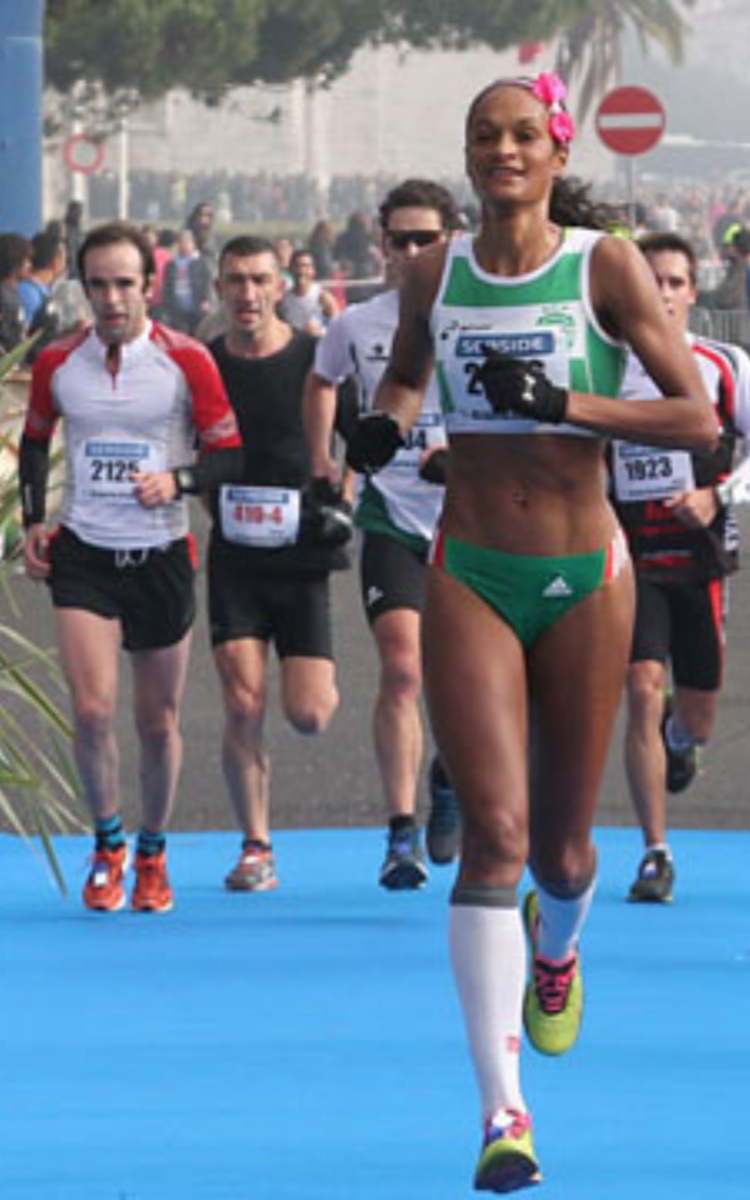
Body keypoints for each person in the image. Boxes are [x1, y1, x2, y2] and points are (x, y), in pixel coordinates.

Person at [349, 74, 713, 1193]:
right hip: (469, 570)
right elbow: (411, 371)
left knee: (562, 853)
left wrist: (565, 406)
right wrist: (387, 425)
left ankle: (558, 953)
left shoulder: (599, 266)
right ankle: (504, 1114)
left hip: (584, 573)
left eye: (522, 136)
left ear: (557, 152)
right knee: (495, 839)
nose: (501, 152)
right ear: (467, 155)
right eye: (482, 137)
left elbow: (698, 416)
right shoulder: (433, 270)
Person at [18, 221, 243, 912]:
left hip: (161, 556)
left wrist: (177, 482)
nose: (112, 299)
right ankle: (108, 843)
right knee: (90, 712)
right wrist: (33, 520)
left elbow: (229, 455)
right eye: (98, 285)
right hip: (84, 552)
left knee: (156, 720)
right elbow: (33, 442)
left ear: (148, 285)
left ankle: (152, 851)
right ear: (83, 288)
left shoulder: (187, 362)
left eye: (124, 284)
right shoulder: (60, 361)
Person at [615, 232, 750, 904]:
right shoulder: (603, 369)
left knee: (696, 714)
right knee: (639, 690)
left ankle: (682, 741)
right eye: (649, 279)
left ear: (692, 292)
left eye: (674, 281)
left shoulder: (722, 364)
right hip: (629, 561)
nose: (661, 292)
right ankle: (655, 853)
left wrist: (719, 495)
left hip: (699, 561)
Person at [304, 179, 462, 889]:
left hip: (470, 525)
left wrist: (462, 462)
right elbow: (322, 382)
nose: (409, 252)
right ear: (381, 245)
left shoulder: (474, 319)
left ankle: (449, 777)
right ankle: (400, 835)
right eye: (398, 239)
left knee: (463, 683)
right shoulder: (355, 324)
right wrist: (323, 466)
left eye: (424, 238)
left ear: (450, 242)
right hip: (390, 517)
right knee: (402, 668)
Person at [208, 236, 349, 892]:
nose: (248, 293)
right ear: (218, 289)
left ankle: (317, 691)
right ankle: (255, 846)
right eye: (235, 281)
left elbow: (365, 432)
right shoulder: (203, 364)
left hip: (301, 556)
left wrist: (345, 484)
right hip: (235, 557)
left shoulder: (312, 358)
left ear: (278, 285)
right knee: (242, 702)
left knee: (310, 714)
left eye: (259, 279)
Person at [0, 232, 32, 356]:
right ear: (14, 263)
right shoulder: (1, 297)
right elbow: (1, 341)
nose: (29, 265)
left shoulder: (8, 292)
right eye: (26, 260)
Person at [280, 248, 339, 336]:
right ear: (290, 269)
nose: (301, 271)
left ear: (313, 270)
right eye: (297, 266)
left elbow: (338, 329)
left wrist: (320, 331)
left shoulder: (323, 296)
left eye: (306, 266)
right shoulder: (284, 299)